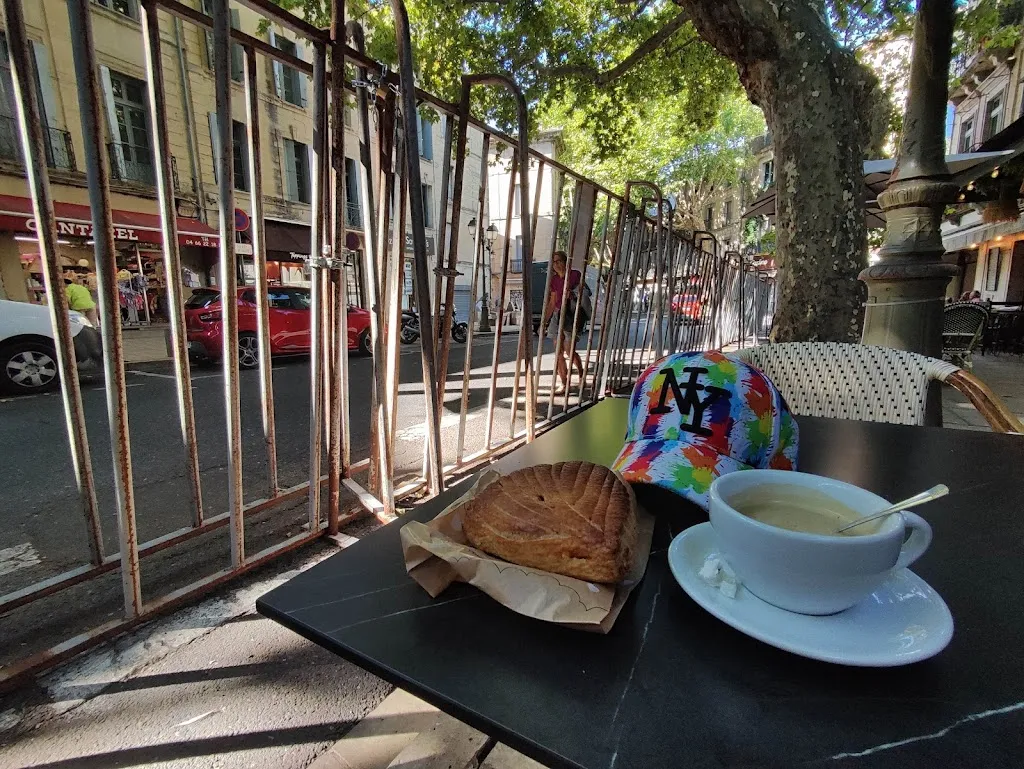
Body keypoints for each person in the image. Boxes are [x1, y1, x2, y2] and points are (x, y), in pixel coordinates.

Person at [541, 250, 585, 394]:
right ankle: (564, 383)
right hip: (557, 314)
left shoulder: (575, 275)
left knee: (569, 351)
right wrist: (544, 321)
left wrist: (573, 294)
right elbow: (552, 301)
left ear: (565, 262)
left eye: (558, 261)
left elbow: (584, 293)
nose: (556, 264)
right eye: (553, 262)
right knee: (558, 352)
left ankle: (581, 373)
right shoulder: (554, 280)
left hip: (571, 315)